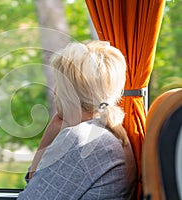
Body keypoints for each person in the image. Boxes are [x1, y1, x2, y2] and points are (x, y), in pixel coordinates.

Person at [17, 40, 136, 199]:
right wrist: (53, 129)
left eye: (59, 84)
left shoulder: (81, 140)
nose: (54, 92)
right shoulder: (108, 132)